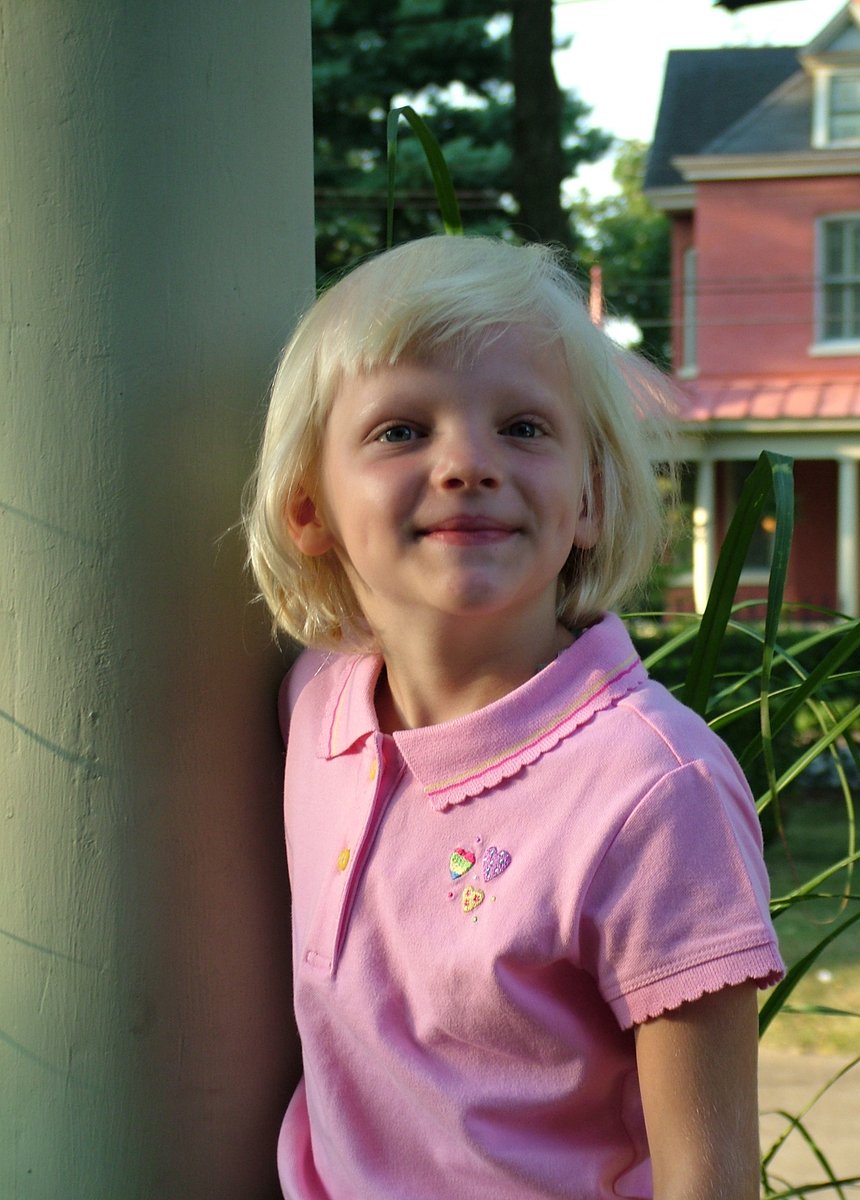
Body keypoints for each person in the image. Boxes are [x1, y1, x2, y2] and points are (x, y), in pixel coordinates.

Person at [244, 235, 784, 1200]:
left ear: (590, 496)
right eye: (401, 430)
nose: (467, 464)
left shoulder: (659, 792)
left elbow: (711, 1182)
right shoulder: (315, 705)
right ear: (306, 509)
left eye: (525, 428)